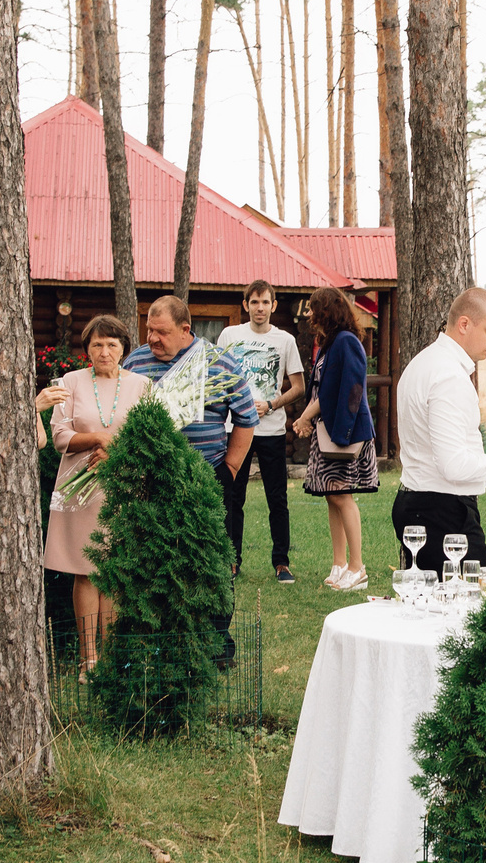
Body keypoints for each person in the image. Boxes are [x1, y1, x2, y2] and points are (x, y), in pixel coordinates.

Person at [394, 287, 486, 575]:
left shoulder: (423, 362)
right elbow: (452, 465)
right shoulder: (448, 376)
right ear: (464, 324)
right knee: (467, 599)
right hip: (442, 511)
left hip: (420, 502)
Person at [37, 313, 139, 666]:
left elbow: (146, 436)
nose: (104, 352)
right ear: (87, 349)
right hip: (80, 488)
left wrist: (115, 451)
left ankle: (109, 659)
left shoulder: (142, 386)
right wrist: (98, 438)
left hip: (122, 485)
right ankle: (88, 658)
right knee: (86, 571)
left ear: (123, 348)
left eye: (111, 344)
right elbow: (60, 436)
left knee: (112, 572)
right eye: (97, 345)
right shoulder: (71, 382)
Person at [293, 285, 377, 589]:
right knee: (331, 495)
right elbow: (324, 391)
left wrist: (341, 431)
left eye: (313, 308)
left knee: (342, 494)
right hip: (329, 429)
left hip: (345, 431)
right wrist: (306, 417)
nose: (309, 314)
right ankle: (340, 563)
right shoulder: (330, 343)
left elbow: (353, 388)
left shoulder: (346, 341)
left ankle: (358, 568)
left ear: (327, 311)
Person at [222, 280, 307, 582]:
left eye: (265, 302)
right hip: (236, 428)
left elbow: (299, 387)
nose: (260, 308)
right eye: (254, 302)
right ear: (245, 305)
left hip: (271, 429)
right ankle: (231, 561)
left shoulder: (285, 340)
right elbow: (219, 378)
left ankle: (281, 563)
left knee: (277, 498)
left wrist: (271, 404)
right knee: (233, 497)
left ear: (274, 305)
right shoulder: (230, 335)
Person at [123, 295, 258, 482]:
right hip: (149, 476)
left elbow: (246, 416)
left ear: (184, 330)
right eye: (150, 329)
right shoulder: (135, 361)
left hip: (207, 474)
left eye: (162, 332)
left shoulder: (220, 362)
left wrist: (230, 469)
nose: (152, 338)